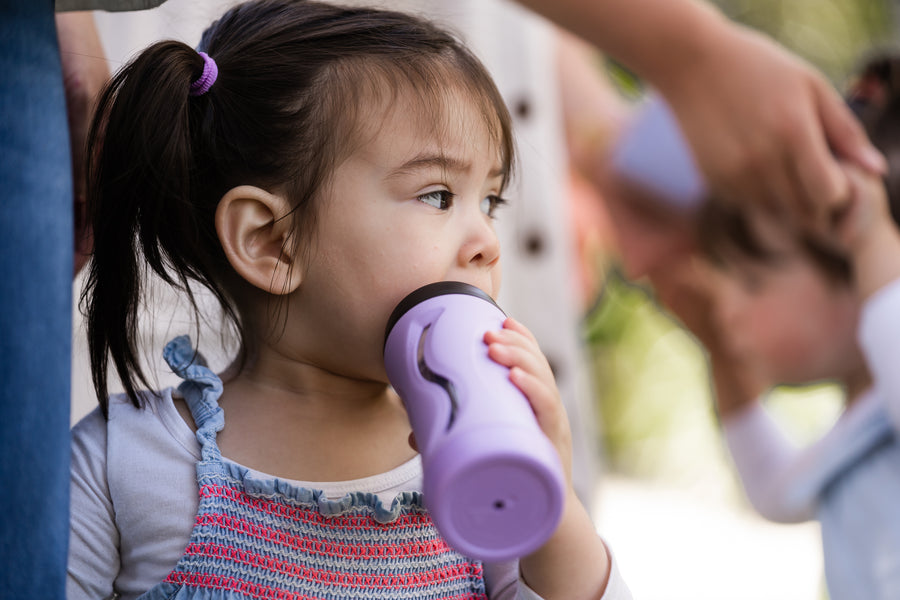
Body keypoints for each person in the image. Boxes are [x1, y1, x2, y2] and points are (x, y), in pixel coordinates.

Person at [67, 2, 630, 598]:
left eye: (489, 202)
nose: (487, 243)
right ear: (272, 243)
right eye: (438, 195)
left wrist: (553, 508)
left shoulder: (477, 463)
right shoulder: (125, 465)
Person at [647, 53, 900, 600]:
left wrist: (874, 236)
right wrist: (723, 352)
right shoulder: (863, 430)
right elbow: (772, 489)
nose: (728, 302)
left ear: (860, 275)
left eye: (753, 280)